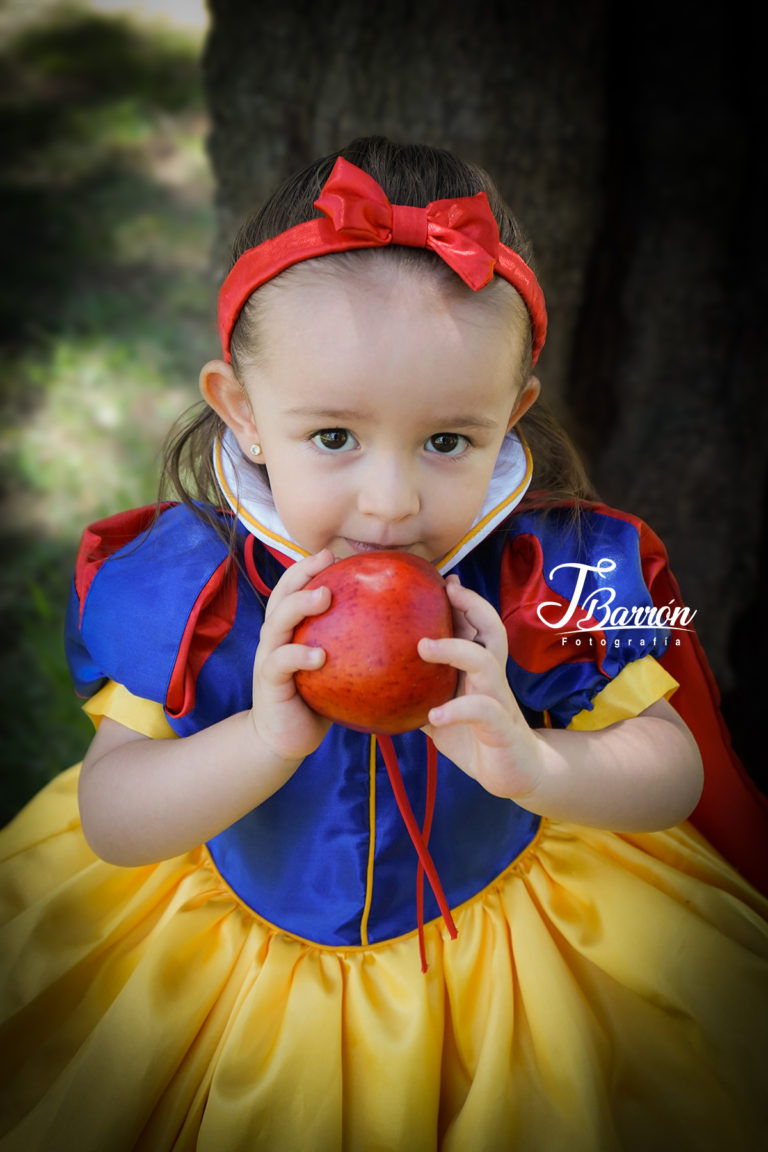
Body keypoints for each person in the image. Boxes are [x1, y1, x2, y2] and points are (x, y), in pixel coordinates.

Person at [1, 135, 767, 1152]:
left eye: (449, 440)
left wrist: (537, 760)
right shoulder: (193, 587)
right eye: (334, 438)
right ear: (243, 412)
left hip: (517, 951)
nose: (392, 503)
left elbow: (669, 770)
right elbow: (116, 819)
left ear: (514, 419)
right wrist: (263, 742)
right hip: (238, 959)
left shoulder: (555, 574)